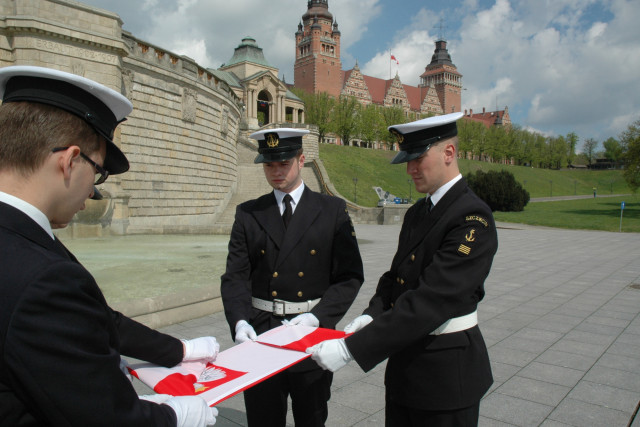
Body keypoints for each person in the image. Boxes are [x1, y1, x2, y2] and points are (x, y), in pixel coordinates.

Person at [0, 65, 219, 427]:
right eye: (98, 171)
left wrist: (178, 350)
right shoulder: (43, 279)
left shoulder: (25, 243)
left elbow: (91, 320)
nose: (93, 191)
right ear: (70, 161)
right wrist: (174, 416)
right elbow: (104, 416)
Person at [308, 112, 498, 426]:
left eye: (417, 159)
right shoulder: (418, 212)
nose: (410, 169)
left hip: (446, 375)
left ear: (448, 153)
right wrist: (371, 314)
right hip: (405, 369)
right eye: (406, 160)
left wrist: (349, 349)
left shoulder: (472, 217)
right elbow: (396, 278)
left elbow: (431, 299)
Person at [220, 128, 364, 426]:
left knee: (310, 417)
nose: (276, 171)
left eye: (283, 163)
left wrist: (319, 317)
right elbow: (235, 276)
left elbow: (349, 277)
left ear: (301, 160)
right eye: (269, 164)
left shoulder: (331, 210)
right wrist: (239, 320)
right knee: (263, 418)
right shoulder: (248, 213)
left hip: (309, 336)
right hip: (262, 335)